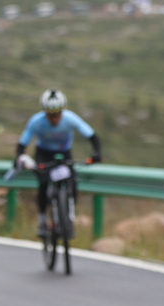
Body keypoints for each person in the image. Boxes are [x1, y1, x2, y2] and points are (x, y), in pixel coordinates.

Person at [13, 89, 102, 237]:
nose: (54, 119)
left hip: (64, 153)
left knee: (72, 182)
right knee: (42, 183)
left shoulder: (70, 119)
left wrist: (97, 153)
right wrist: (20, 158)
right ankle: (42, 220)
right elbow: (22, 143)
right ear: (45, 112)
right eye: (50, 115)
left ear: (63, 111)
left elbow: (92, 136)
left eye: (57, 114)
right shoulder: (36, 121)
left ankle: (69, 218)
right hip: (43, 154)